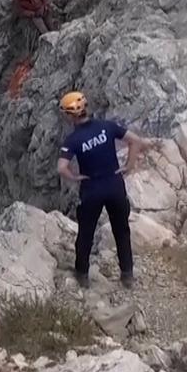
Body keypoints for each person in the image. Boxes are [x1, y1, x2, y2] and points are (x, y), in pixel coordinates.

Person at [56, 91, 153, 289]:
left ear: (69, 115)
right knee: (121, 230)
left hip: (92, 189)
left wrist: (75, 177)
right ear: (86, 108)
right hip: (115, 185)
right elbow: (135, 141)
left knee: (86, 233)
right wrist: (129, 165)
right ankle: (127, 275)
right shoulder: (106, 127)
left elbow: (61, 168)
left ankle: (82, 275)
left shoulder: (73, 140)